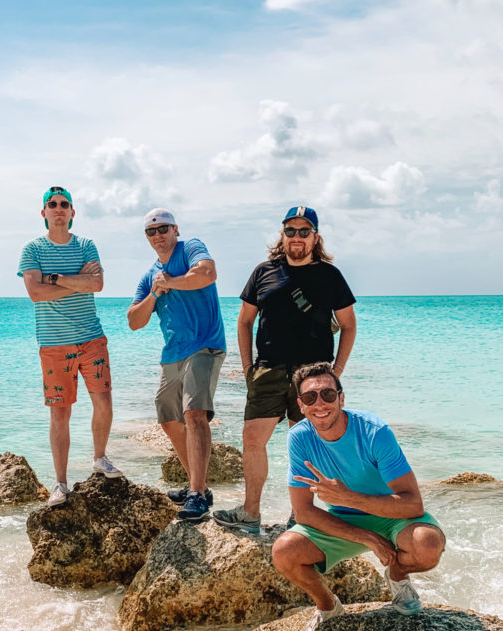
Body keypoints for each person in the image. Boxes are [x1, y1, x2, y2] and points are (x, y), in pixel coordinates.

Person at [272, 361, 446, 631]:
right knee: (284, 551)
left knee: (428, 545)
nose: (320, 404)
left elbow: (413, 505)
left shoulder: (374, 432)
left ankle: (398, 576)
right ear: (301, 405)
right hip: (345, 519)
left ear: (341, 398)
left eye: (328, 394)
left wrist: (349, 497)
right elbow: (303, 513)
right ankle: (328, 608)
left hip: (394, 516)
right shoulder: (299, 438)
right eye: (310, 398)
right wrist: (367, 537)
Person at [214, 205, 357, 534]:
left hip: (312, 376)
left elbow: (348, 326)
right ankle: (251, 513)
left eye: (304, 231)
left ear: (315, 237)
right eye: (290, 231)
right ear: (283, 235)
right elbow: (245, 321)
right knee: (252, 439)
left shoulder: (330, 276)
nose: (296, 237)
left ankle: (301, 515)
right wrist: (248, 366)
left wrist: (336, 372)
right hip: (268, 370)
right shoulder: (264, 271)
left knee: (304, 443)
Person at [18, 186, 122, 508]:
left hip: (92, 337)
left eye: (65, 204)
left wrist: (54, 278)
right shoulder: (32, 250)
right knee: (60, 414)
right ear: (44, 213)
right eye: (53, 204)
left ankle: (100, 458)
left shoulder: (86, 245)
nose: (59, 208)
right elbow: (35, 294)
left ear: (73, 213)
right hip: (54, 343)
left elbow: (97, 284)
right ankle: (60, 483)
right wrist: (76, 280)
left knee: (103, 402)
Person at [127, 208, 226, 521]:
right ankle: (200, 486)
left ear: (176, 229)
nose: (158, 235)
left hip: (205, 346)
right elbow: (134, 320)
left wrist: (172, 281)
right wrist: (156, 292)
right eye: (151, 232)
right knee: (168, 417)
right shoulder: (150, 275)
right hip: (172, 354)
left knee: (194, 413)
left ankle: (196, 493)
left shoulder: (190, 248)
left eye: (163, 229)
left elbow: (207, 273)